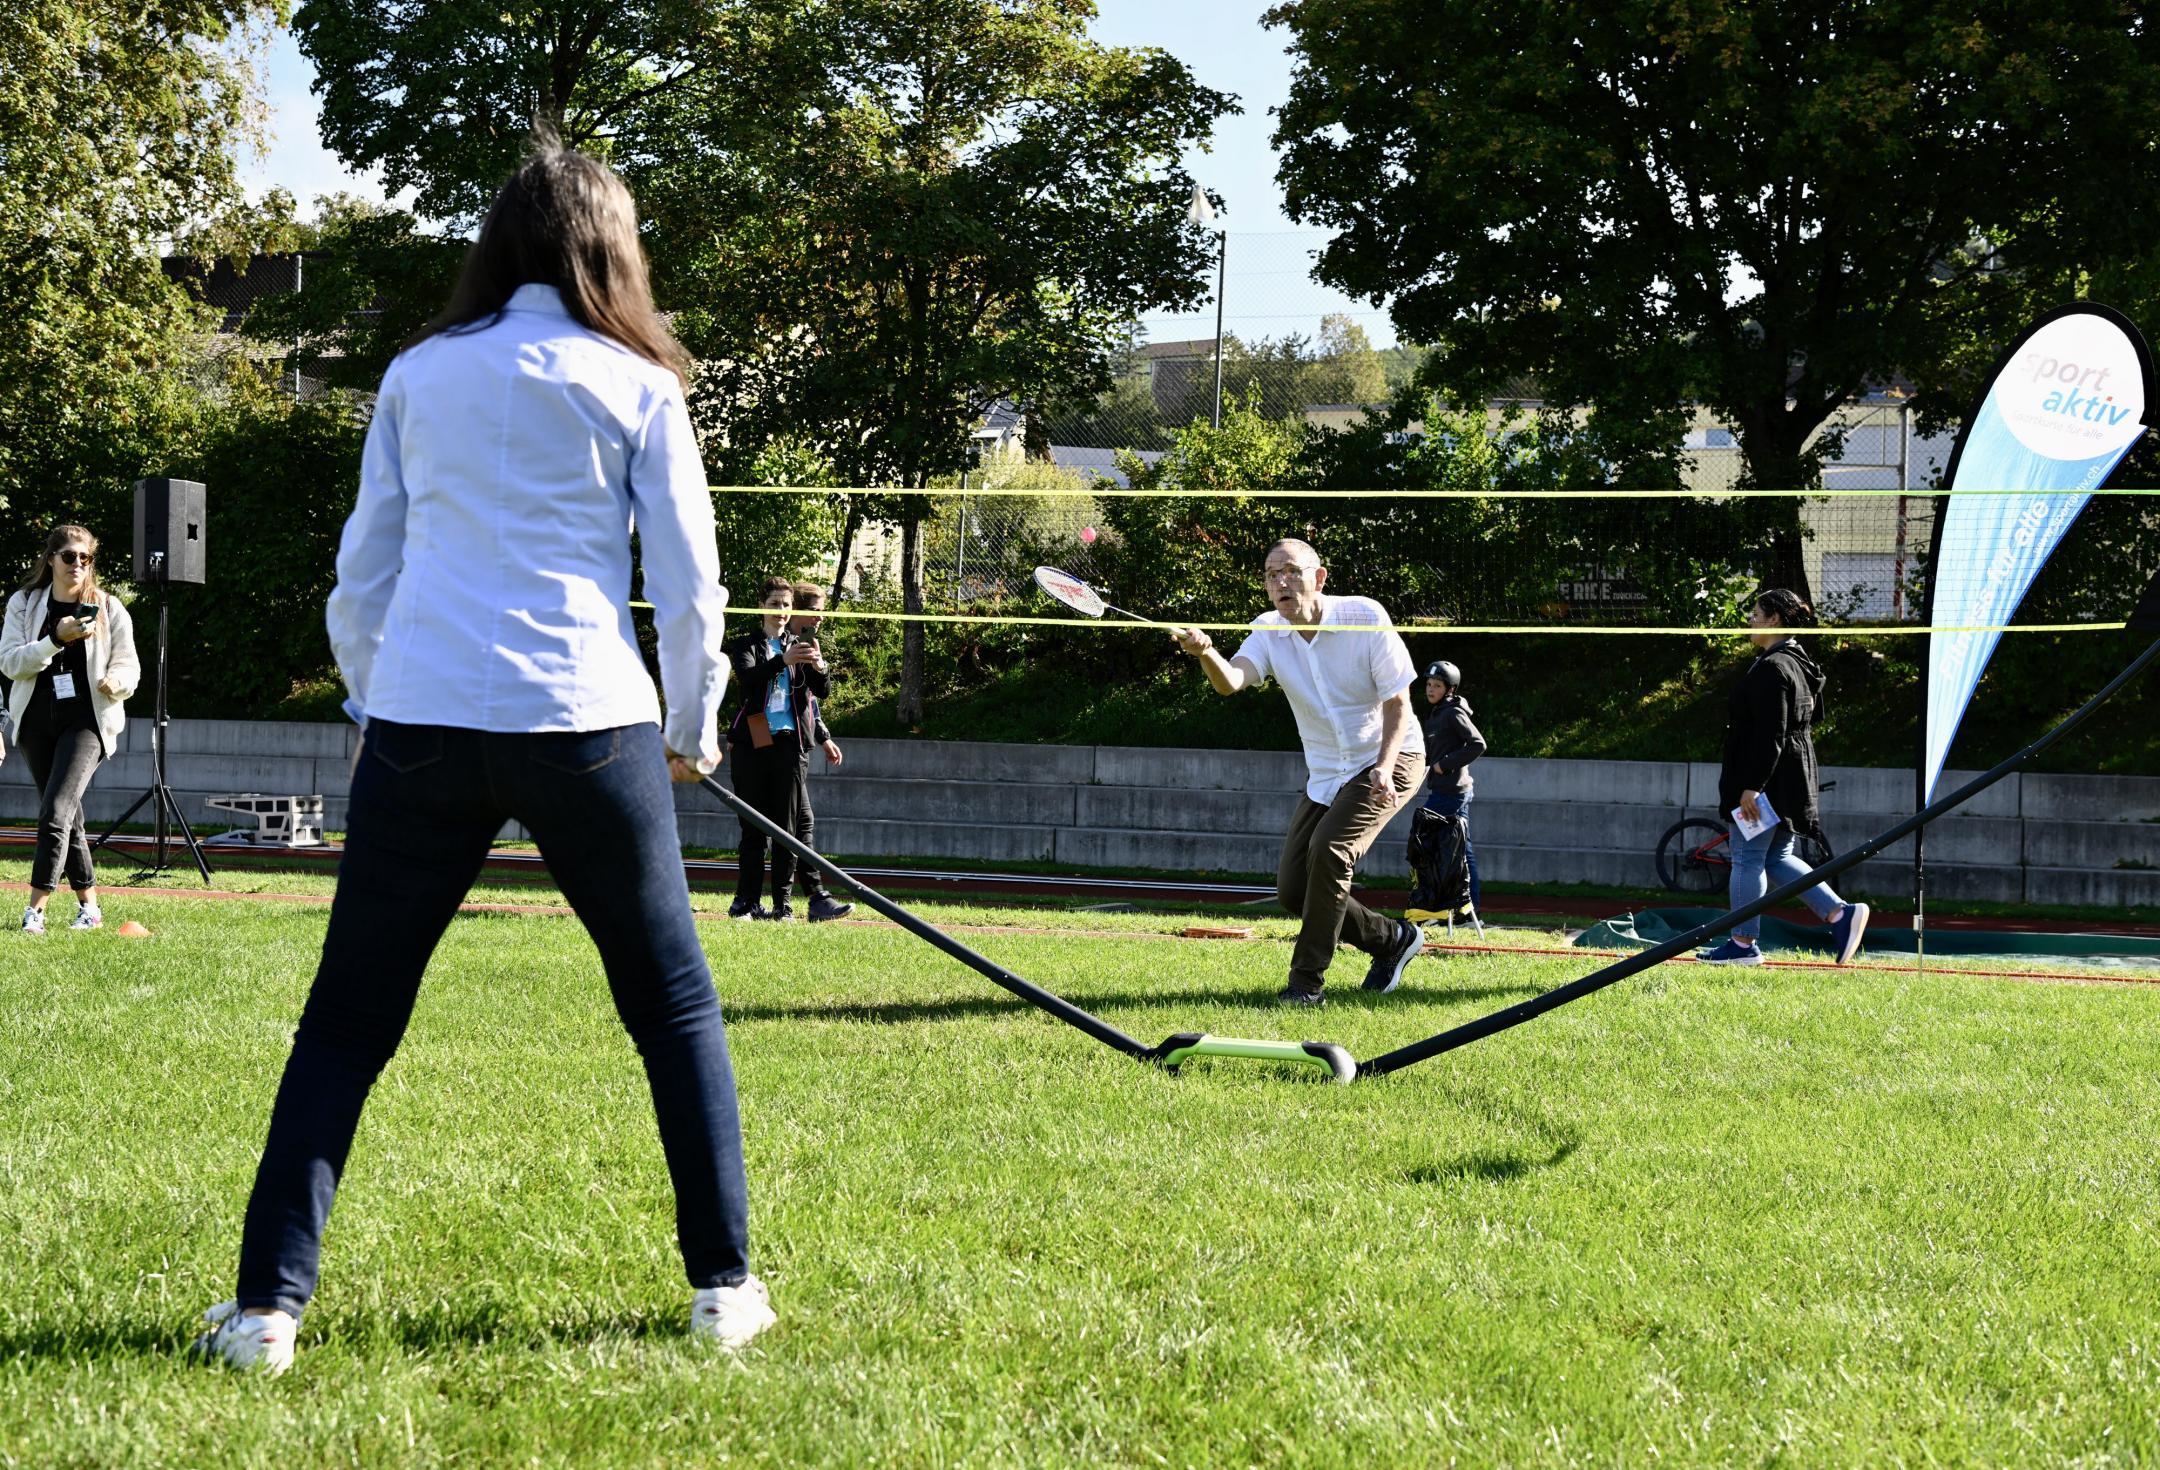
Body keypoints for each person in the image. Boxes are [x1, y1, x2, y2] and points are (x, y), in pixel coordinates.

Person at [192, 143, 771, 1377]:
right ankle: (723, 1288)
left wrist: (372, 690)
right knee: (672, 1012)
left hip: (423, 722)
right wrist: (693, 722)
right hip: (588, 719)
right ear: (613, 251)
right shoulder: (639, 382)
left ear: (497, 246)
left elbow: (367, 567)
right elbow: (688, 579)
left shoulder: (418, 373)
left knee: (345, 1026)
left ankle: (264, 1316)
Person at [1170, 539, 1427, 1006]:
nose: (1281, 582)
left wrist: (1386, 768)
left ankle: (1305, 986)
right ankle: (1392, 941)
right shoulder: (1268, 630)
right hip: (1328, 773)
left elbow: (1398, 702)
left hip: (1391, 758)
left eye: (1290, 571)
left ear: (1319, 577)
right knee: (1294, 891)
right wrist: (1205, 651)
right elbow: (1231, 682)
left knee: (1330, 851)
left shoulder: (1364, 616)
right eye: (1271, 575)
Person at [1700, 588, 1869, 967]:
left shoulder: (1775, 666)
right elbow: (1809, 719)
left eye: (1757, 614)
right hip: (1792, 777)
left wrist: (1752, 786)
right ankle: (1840, 914)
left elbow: (1770, 734)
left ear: (1775, 618)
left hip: (1767, 783)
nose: (1751, 621)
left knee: (1746, 857)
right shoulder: (1797, 660)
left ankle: (1743, 945)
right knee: (1777, 856)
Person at [1, 525, 140, 934]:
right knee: (68, 819)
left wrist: (117, 682)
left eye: (85, 558)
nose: (77, 564)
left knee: (56, 811)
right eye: (68, 557)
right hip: (36, 725)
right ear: (50, 560)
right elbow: (10, 664)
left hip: (87, 724)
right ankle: (90, 909)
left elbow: (129, 665)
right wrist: (53, 639)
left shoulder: (109, 607)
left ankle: (35, 911)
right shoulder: (25, 605)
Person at [724, 577, 828, 920]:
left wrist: (818, 666)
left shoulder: (800, 643)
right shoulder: (746, 645)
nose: (782, 612)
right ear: (762, 607)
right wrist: (782, 661)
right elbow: (749, 680)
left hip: (788, 744)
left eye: (786, 605)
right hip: (752, 742)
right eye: (775, 605)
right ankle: (747, 901)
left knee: (786, 830)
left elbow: (821, 691)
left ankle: (783, 905)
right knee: (753, 828)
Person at [785, 583, 853, 922]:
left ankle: (814, 899)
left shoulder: (810, 644)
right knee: (793, 823)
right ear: (796, 609)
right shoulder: (778, 641)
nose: (820, 617)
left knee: (799, 822)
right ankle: (794, 901)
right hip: (776, 745)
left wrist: (823, 736)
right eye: (814, 610)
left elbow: (815, 696)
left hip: (800, 743)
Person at [1419, 658, 1486, 914]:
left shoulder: (1453, 713)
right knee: (1463, 851)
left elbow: (1478, 744)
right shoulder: (1437, 713)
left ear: (1449, 689)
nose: (1430, 689)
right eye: (1428, 684)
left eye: (1436, 685)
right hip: (1446, 790)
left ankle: (1432, 906)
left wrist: (1443, 765)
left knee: (1424, 840)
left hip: (1452, 792)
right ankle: (1468, 910)